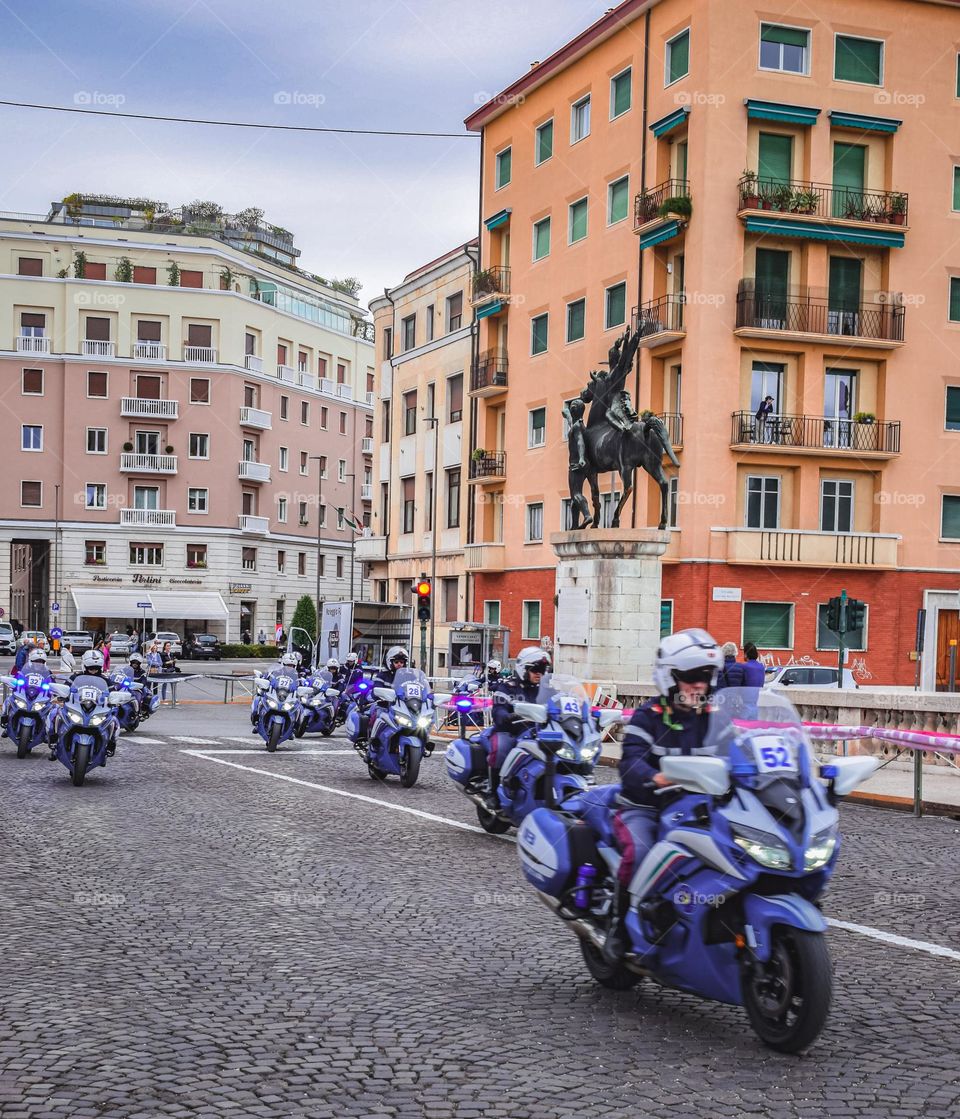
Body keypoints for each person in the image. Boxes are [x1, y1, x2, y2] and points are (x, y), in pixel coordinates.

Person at [604, 628, 722, 962]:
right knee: (641, 852)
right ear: (670, 678)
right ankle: (619, 925)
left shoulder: (717, 719)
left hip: (702, 808)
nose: (699, 684)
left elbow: (740, 753)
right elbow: (630, 764)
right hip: (646, 806)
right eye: (691, 677)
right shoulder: (648, 716)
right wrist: (656, 776)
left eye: (706, 676)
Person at [485, 648, 551, 809]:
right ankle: (493, 791)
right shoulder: (508, 687)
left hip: (540, 733)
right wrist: (506, 716)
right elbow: (498, 710)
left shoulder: (547, 690)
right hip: (512, 731)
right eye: (535, 670)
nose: (539, 674)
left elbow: (559, 706)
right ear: (524, 669)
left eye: (543, 670)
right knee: (501, 747)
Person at [50, 649, 117, 757]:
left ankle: (110, 744)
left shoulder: (106, 680)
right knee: (55, 713)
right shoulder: (76, 677)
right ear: (85, 666)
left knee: (114, 720)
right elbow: (66, 688)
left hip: (97, 709)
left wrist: (115, 699)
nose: (93, 671)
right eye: (90, 668)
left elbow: (113, 693)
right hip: (76, 707)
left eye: (96, 668)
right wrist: (62, 694)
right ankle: (54, 739)